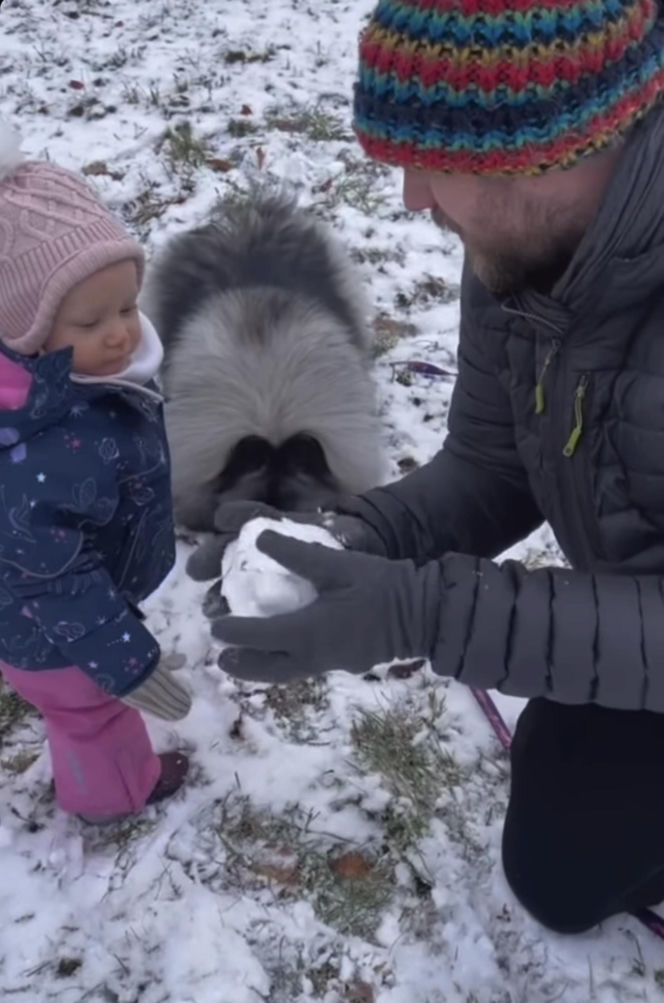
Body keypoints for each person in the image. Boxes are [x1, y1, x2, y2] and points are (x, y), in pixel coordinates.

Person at [189, 0, 664, 933]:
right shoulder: (527, 242)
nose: (411, 199)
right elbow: (495, 461)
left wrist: (420, 609)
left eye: (439, 163)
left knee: (562, 868)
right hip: (631, 603)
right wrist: (354, 536)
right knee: (562, 857)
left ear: (557, 144)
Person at [0, 126, 190, 824]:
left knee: (80, 709)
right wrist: (128, 663)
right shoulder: (41, 452)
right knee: (92, 713)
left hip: (53, 618)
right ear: (25, 331)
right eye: (90, 320)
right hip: (50, 636)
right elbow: (55, 579)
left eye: (127, 306)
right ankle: (114, 795)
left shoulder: (77, 388)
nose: (121, 333)